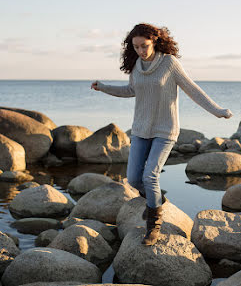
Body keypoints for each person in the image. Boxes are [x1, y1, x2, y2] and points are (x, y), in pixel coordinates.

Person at [91, 23, 233, 245]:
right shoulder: (136, 65)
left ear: (155, 41)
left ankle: (153, 226)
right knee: (135, 179)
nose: (141, 51)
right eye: (136, 47)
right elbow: (130, 91)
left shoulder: (169, 63)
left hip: (165, 130)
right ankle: (156, 201)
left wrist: (217, 111)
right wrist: (103, 87)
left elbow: (192, 89)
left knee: (150, 176)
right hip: (140, 130)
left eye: (144, 46)